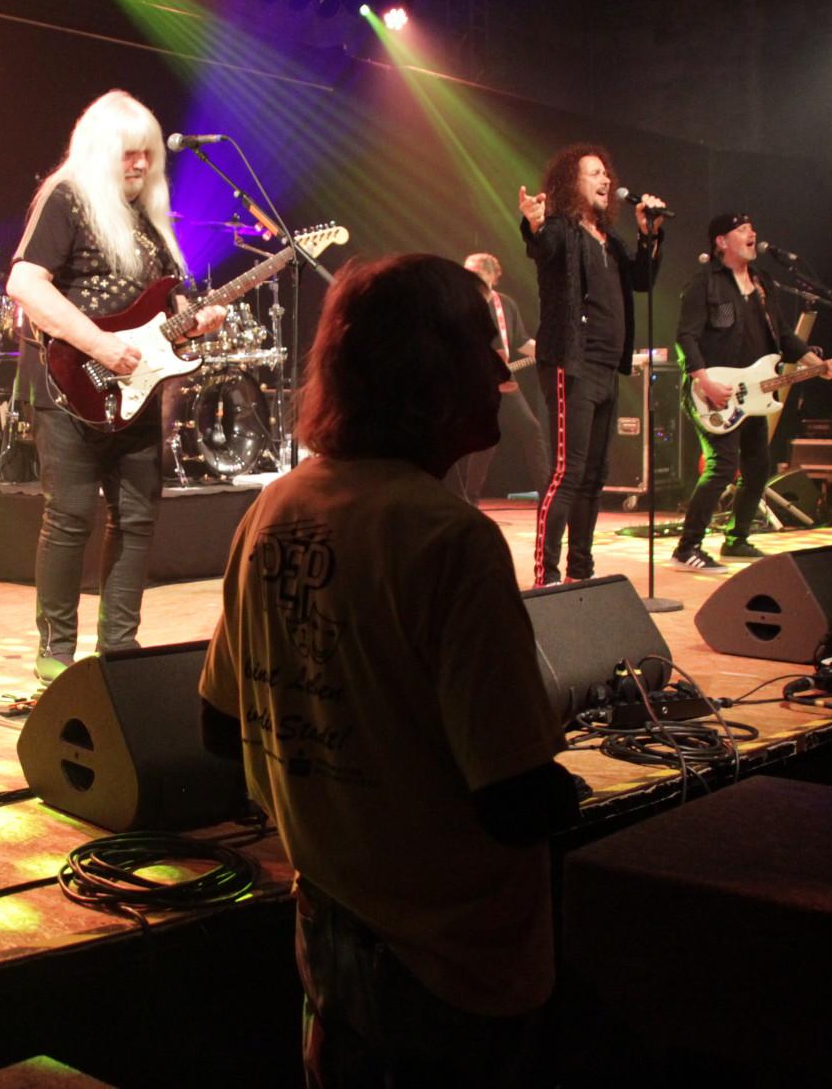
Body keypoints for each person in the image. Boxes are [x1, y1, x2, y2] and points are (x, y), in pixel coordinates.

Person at [199, 254, 583, 1088]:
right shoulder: (451, 539)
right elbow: (515, 801)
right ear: (429, 376)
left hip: (329, 938)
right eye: (481, 343)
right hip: (457, 971)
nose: (500, 367)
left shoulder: (274, 508)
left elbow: (222, 728)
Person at [7, 90, 225, 682]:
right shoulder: (67, 198)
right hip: (69, 384)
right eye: (129, 153)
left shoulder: (148, 221)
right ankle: (56, 652)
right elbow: (25, 284)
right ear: (100, 150)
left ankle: (120, 651)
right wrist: (100, 345)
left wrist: (194, 321)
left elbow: (165, 308)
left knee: (135, 518)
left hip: (136, 391)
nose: (142, 164)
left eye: (148, 153)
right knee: (70, 517)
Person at [515, 147, 665, 586]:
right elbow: (543, 246)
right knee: (568, 471)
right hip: (571, 364)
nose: (605, 180)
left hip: (605, 367)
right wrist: (533, 224)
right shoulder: (561, 228)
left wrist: (648, 236)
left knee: (594, 477)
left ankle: (581, 572)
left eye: (605, 173)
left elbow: (642, 280)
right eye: (594, 173)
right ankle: (547, 575)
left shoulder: (610, 240)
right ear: (571, 182)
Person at [673, 213, 832, 569]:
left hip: (754, 393)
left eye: (752, 228)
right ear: (721, 241)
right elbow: (685, 337)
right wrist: (705, 381)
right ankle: (687, 548)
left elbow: (784, 336)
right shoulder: (705, 283)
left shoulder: (763, 284)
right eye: (742, 230)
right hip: (712, 391)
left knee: (759, 468)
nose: (752, 234)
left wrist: (815, 363)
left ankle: (737, 539)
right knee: (722, 467)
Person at [447, 252, 550, 504]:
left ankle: (549, 496)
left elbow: (521, 342)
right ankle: (468, 501)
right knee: (481, 440)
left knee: (531, 429)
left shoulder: (505, 305)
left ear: (493, 276)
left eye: (476, 274)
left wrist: (552, 353)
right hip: (474, 381)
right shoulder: (460, 304)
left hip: (503, 380)